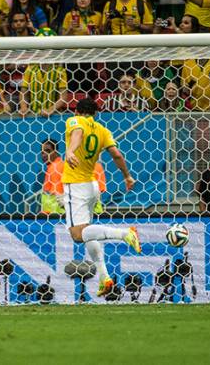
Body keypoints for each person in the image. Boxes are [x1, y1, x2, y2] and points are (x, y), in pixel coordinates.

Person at [60, 97, 140, 297]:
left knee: (77, 235)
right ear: (95, 113)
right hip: (92, 185)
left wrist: (70, 150)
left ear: (77, 111)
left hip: (76, 185)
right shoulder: (102, 131)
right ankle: (105, 278)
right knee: (87, 231)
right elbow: (117, 155)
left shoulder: (74, 121)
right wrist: (127, 177)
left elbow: (77, 133)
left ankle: (124, 234)